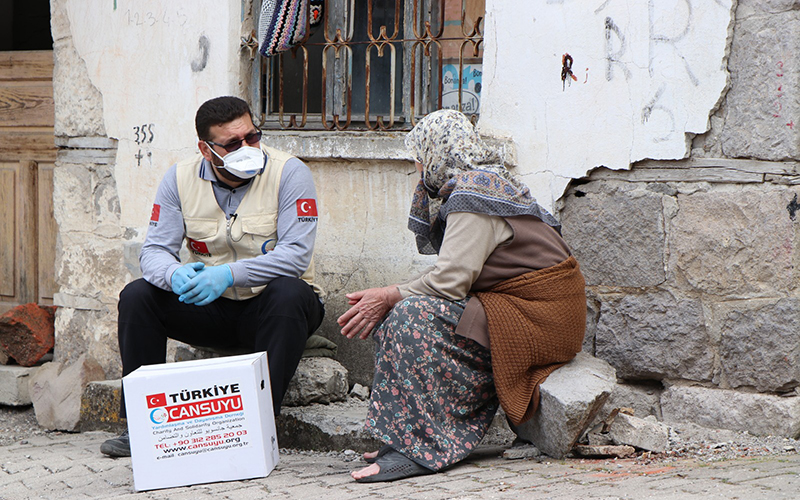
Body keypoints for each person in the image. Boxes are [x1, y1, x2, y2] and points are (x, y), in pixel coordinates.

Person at [337, 109, 586, 482]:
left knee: (411, 317)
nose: (419, 170)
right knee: (404, 311)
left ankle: (424, 447)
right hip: (521, 308)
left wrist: (390, 294)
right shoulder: (481, 184)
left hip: (540, 317)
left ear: (436, 154)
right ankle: (408, 436)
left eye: (420, 160)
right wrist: (393, 297)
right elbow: (454, 276)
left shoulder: (473, 194)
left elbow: (449, 283)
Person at [100, 96, 325, 457]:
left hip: (271, 310)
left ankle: (260, 425)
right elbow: (154, 251)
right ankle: (140, 428)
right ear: (206, 149)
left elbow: (295, 256)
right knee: (137, 296)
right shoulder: (179, 179)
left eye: (252, 137)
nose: (248, 148)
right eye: (233, 144)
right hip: (211, 308)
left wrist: (228, 274)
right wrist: (174, 276)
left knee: (290, 293)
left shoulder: (289, 172)